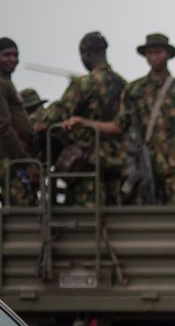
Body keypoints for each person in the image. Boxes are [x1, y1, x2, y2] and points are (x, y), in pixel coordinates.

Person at [66, 33, 175, 206]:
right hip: (147, 167)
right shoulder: (134, 89)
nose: (154, 57)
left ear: (167, 54)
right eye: (151, 53)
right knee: (148, 222)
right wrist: (85, 123)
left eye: (158, 52)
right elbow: (118, 126)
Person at [40, 32, 127, 205]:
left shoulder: (83, 84)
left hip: (87, 164)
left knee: (84, 219)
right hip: (117, 162)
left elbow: (54, 117)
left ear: (86, 53)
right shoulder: (124, 84)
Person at [0, 36, 38, 205]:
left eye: (15, 55)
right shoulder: (1, 84)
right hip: (11, 158)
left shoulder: (7, 83)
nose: (12, 59)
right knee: (23, 206)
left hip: (15, 157)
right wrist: (24, 160)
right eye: (7, 55)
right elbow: (3, 126)